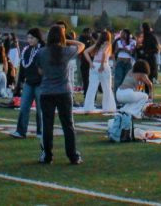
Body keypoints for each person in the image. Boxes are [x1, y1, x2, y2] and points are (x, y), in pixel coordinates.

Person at [37, 25, 85, 164]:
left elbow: (40, 72)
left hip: (46, 91)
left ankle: (47, 155)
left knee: (47, 125)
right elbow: (81, 45)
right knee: (68, 125)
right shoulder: (66, 51)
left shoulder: (41, 52)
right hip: (64, 91)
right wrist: (68, 41)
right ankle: (73, 156)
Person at [10, 28, 44, 138]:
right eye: (28, 38)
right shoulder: (26, 50)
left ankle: (41, 131)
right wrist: (19, 83)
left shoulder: (43, 49)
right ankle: (20, 131)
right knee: (24, 106)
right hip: (28, 83)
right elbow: (22, 68)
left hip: (40, 83)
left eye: (32, 38)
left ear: (38, 38)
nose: (29, 40)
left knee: (41, 109)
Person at [82, 30, 116, 113]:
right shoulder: (108, 44)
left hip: (94, 65)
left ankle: (88, 108)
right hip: (103, 65)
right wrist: (101, 65)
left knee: (92, 88)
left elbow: (85, 52)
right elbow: (104, 53)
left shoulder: (97, 45)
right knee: (107, 87)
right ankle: (108, 107)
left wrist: (90, 62)